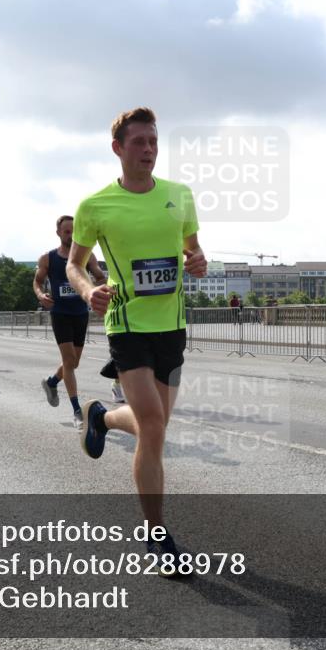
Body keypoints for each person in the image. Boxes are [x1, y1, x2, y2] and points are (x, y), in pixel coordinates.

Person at [67, 107, 207, 572]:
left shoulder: (179, 196)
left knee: (157, 424)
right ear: (118, 148)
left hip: (172, 325)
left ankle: (102, 418)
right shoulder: (95, 206)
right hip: (126, 326)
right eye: (139, 142)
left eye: (153, 141)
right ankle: (157, 534)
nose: (149, 150)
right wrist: (88, 290)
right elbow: (74, 263)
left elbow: (193, 251)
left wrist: (198, 261)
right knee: (152, 424)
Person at [36, 215, 107, 426]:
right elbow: (37, 281)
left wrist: (96, 289)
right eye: (67, 232)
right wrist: (40, 295)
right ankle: (77, 411)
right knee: (68, 361)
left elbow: (100, 277)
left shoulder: (88, 256)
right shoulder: (48, 258)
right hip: (60, 313)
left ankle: (51, 382)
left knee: (74, 362)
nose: (71, 235)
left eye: (74, 231)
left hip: (80, 312)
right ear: (58, 233)